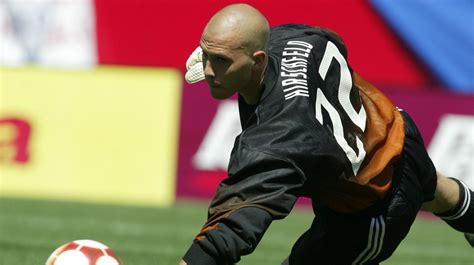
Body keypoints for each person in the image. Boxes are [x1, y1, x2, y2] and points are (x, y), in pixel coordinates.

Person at [180, 4, 474, 265]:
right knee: (437, 190)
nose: (207, 69)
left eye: (221, 60)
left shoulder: (277, 135)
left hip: (371, 206)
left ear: (258, 60)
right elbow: (333, 41)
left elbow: (231, 229)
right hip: (396, 129)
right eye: (206, 54)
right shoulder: (292, 38)